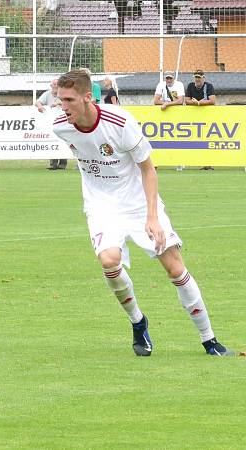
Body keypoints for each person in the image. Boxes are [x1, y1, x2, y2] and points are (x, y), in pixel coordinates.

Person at [52, 68, 232, 357]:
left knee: (175, 268)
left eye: (69, 100)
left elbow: (148, 169)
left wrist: (152, 217)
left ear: (88, 97)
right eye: (60, 100)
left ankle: (209, 338)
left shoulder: (120, 121)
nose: (63, 106)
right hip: (101, 204)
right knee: (109, 261)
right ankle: (138, 322)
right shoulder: (60, 124)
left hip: (138, 202)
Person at [186, 69, 217, 170]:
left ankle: (209, 163)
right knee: (195, 140)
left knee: (209, 140)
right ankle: (199, 161)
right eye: (196, 77)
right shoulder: (190, 86)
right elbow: (187, 100)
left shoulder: (209, 86)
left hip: (208, 117)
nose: (197, 79)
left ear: (203, 78)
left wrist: (198, 103)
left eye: (199, 77)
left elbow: (212, 101)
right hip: (194, 117)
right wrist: (197, 103)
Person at [37, 79, 66, 170]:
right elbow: (38, 102)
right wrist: (39, 106)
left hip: (63, 121)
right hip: (51, 122)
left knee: (63, 140)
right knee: (52, 140)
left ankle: (62, 163)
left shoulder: (64, 93)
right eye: (54, 84)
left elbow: (69, 102)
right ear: (51, 85)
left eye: (57, 84)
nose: (55, 86)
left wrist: (59, 103)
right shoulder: (47, 94)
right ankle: (53, 163)